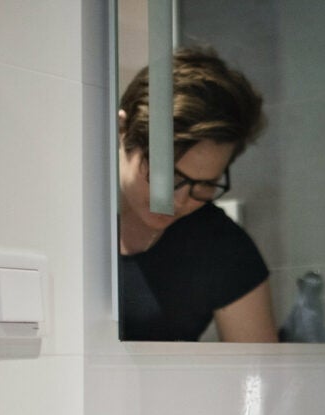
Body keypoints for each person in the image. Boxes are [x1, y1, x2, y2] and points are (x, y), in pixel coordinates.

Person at [116, 46, 277, 342]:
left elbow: (258, 377)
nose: (178, 201)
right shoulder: (68, 210)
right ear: (122, 130)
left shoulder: (222, 248)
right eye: (169, 177)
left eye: (204, 184)